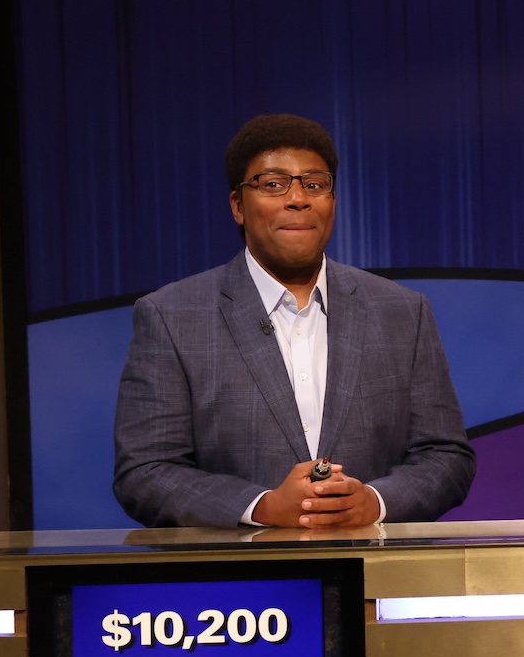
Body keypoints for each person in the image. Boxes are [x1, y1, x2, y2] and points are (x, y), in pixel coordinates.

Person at [113, 114, 476, 528]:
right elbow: (145, 471)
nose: (298, 199)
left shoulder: (402, 311)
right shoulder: (172, 316)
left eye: (315, 185)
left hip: (372, 565)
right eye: (273, 184)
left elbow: (446, 456)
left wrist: (375, 503)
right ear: (238, 206)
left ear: (332, 202)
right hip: (243, 569)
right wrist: (262, 507)